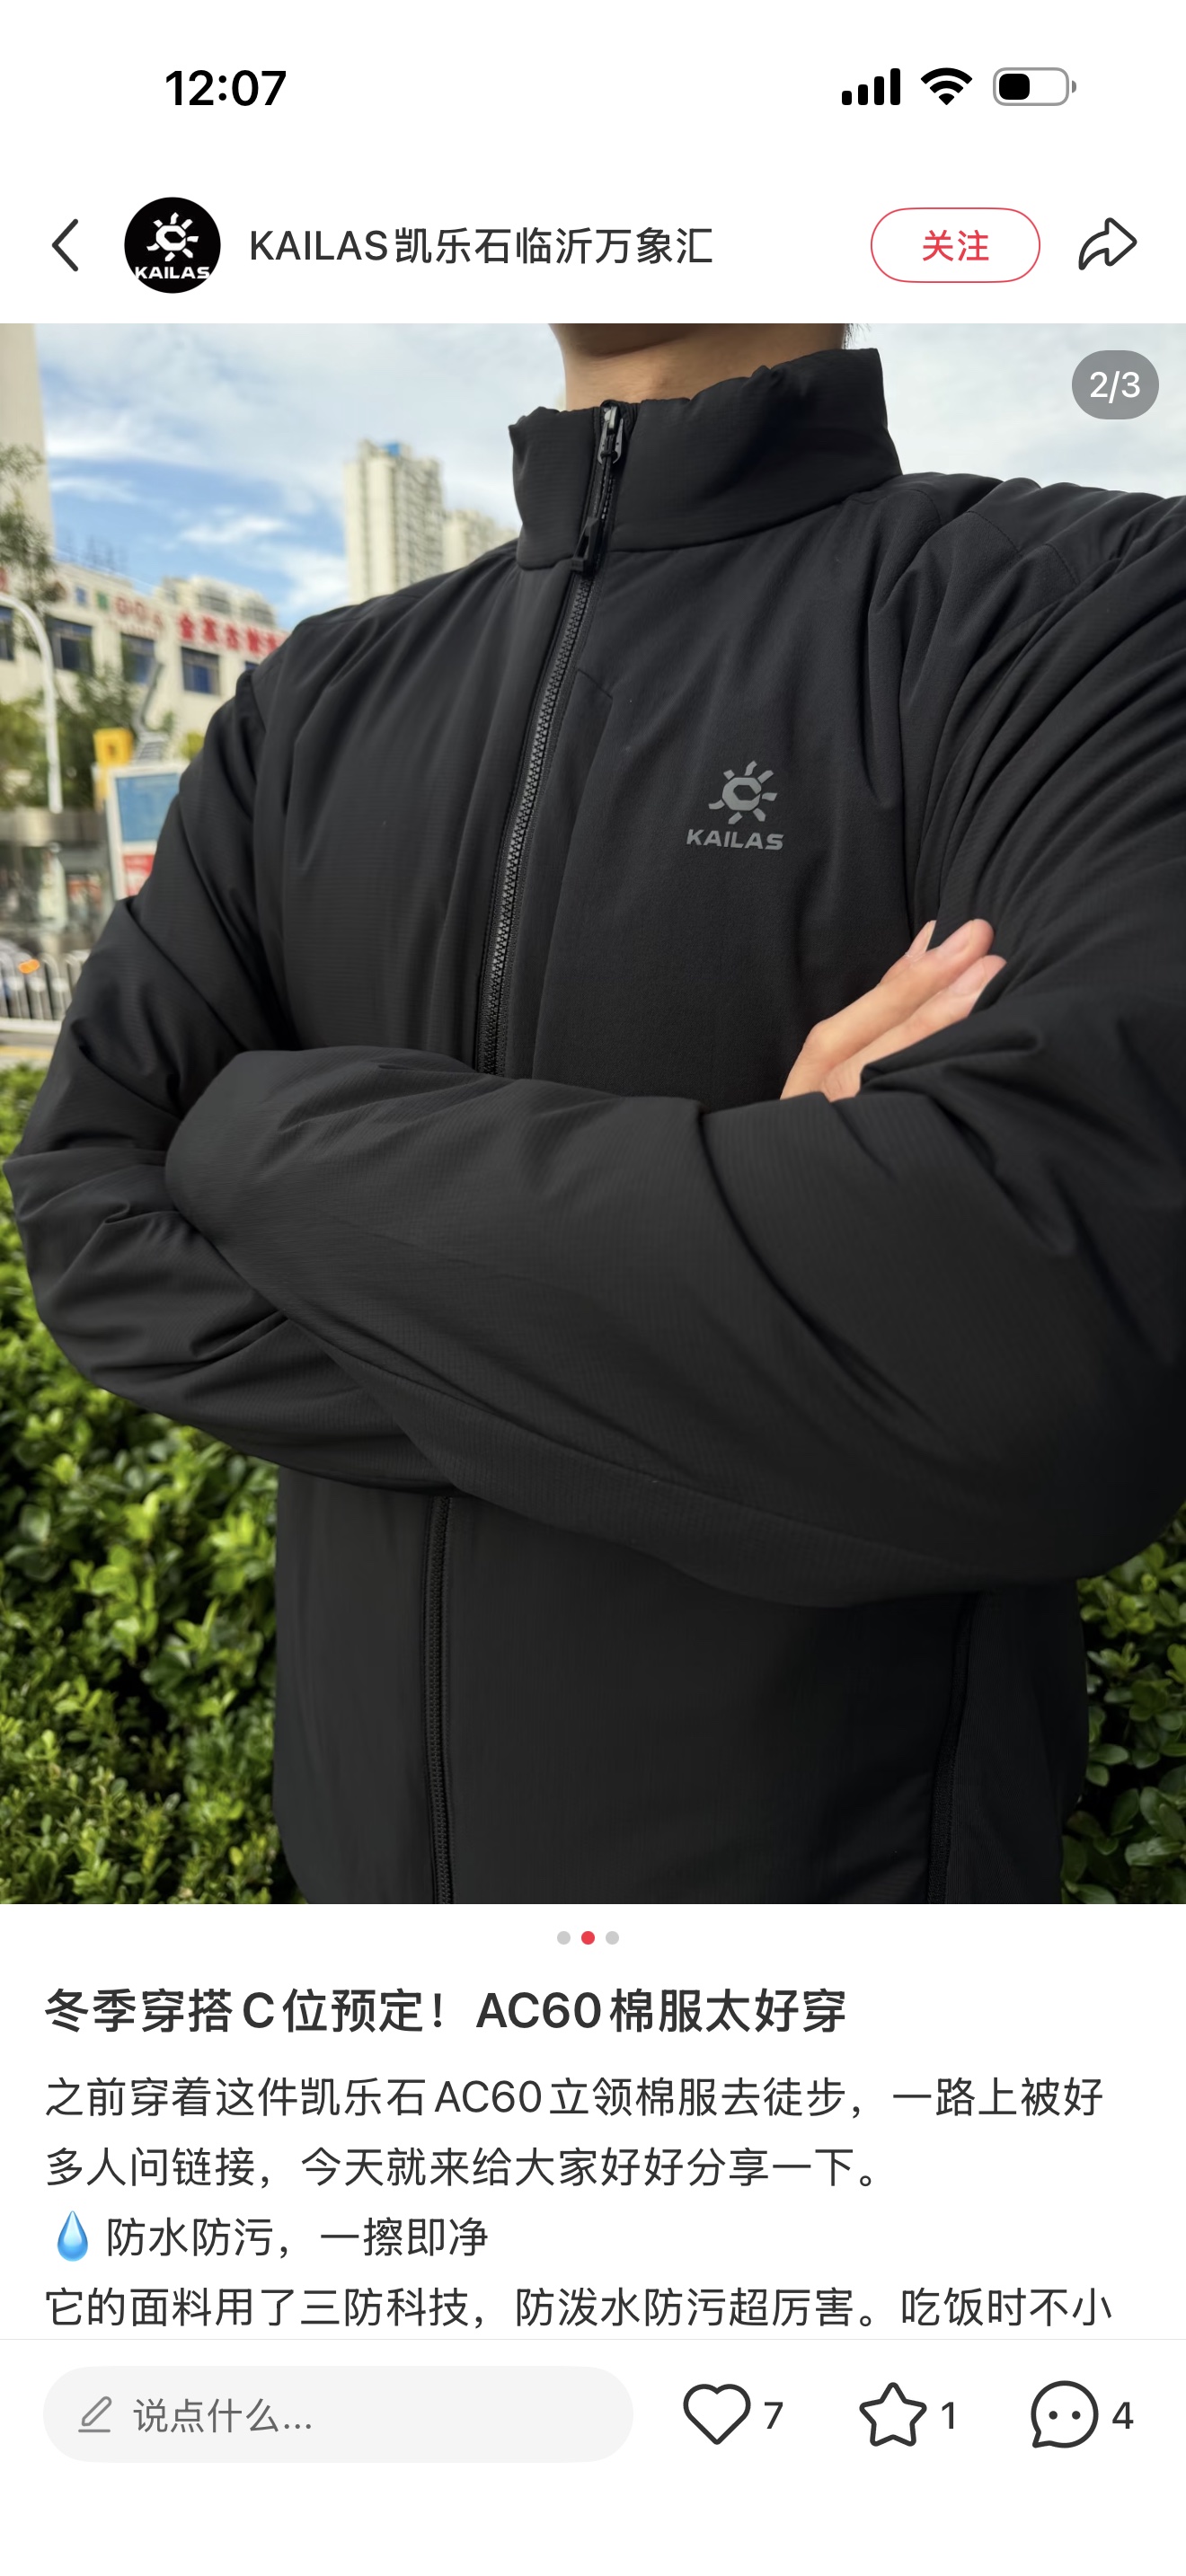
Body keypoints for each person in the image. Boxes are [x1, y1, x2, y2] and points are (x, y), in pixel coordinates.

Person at [7, 323, 1186, 1905]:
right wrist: (770, 1257)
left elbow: (1041, 1353)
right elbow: (88, 1223)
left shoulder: (1089, 607)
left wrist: (255, 1138)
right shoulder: (312, 702)